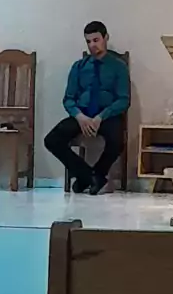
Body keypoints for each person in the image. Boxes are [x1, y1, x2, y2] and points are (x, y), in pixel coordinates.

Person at [45, 21, 130, 195]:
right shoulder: (79, 67)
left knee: (117, 140)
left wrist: (101, 117)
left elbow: (123, 100)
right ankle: (89, 177)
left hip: (106, 115)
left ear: (106, 38)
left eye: (96, 40)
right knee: (52, 140)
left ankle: (93, 176)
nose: (92, 45)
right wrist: (80, 117)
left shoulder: (118, 67)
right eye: (88, 41)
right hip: (82, 115)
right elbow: (68, 99)